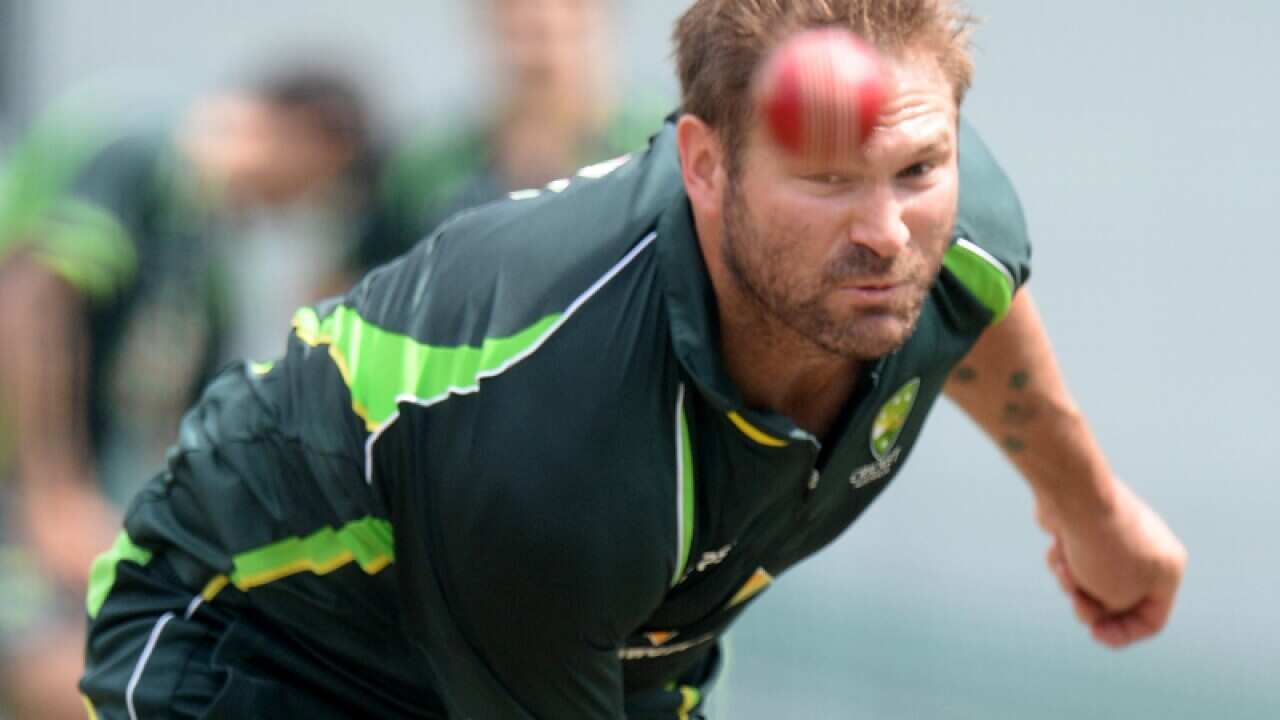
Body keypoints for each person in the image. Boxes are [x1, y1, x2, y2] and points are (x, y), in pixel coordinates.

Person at [79, 1, 1187, 718]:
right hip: (267, 648)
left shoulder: (949, 212)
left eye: (915, 168)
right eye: (823, 179)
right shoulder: (550, 435)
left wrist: (1089, 511)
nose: (886, 233)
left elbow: (972, 297)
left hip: (581, 631)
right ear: (702, 165)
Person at [0, 67, 391, 720]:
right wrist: (55, 489)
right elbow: (36, 298)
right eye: (315, 190)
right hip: (23, 502)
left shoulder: (203, 263)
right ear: (309, 140)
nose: (291, 211)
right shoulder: (142, 157)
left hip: (66, 520)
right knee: (63, 677)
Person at [376, 0, 662, 245]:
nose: (533, 54)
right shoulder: (430, 170)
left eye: (549, 33)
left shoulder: (659, 150)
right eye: (515, 30)